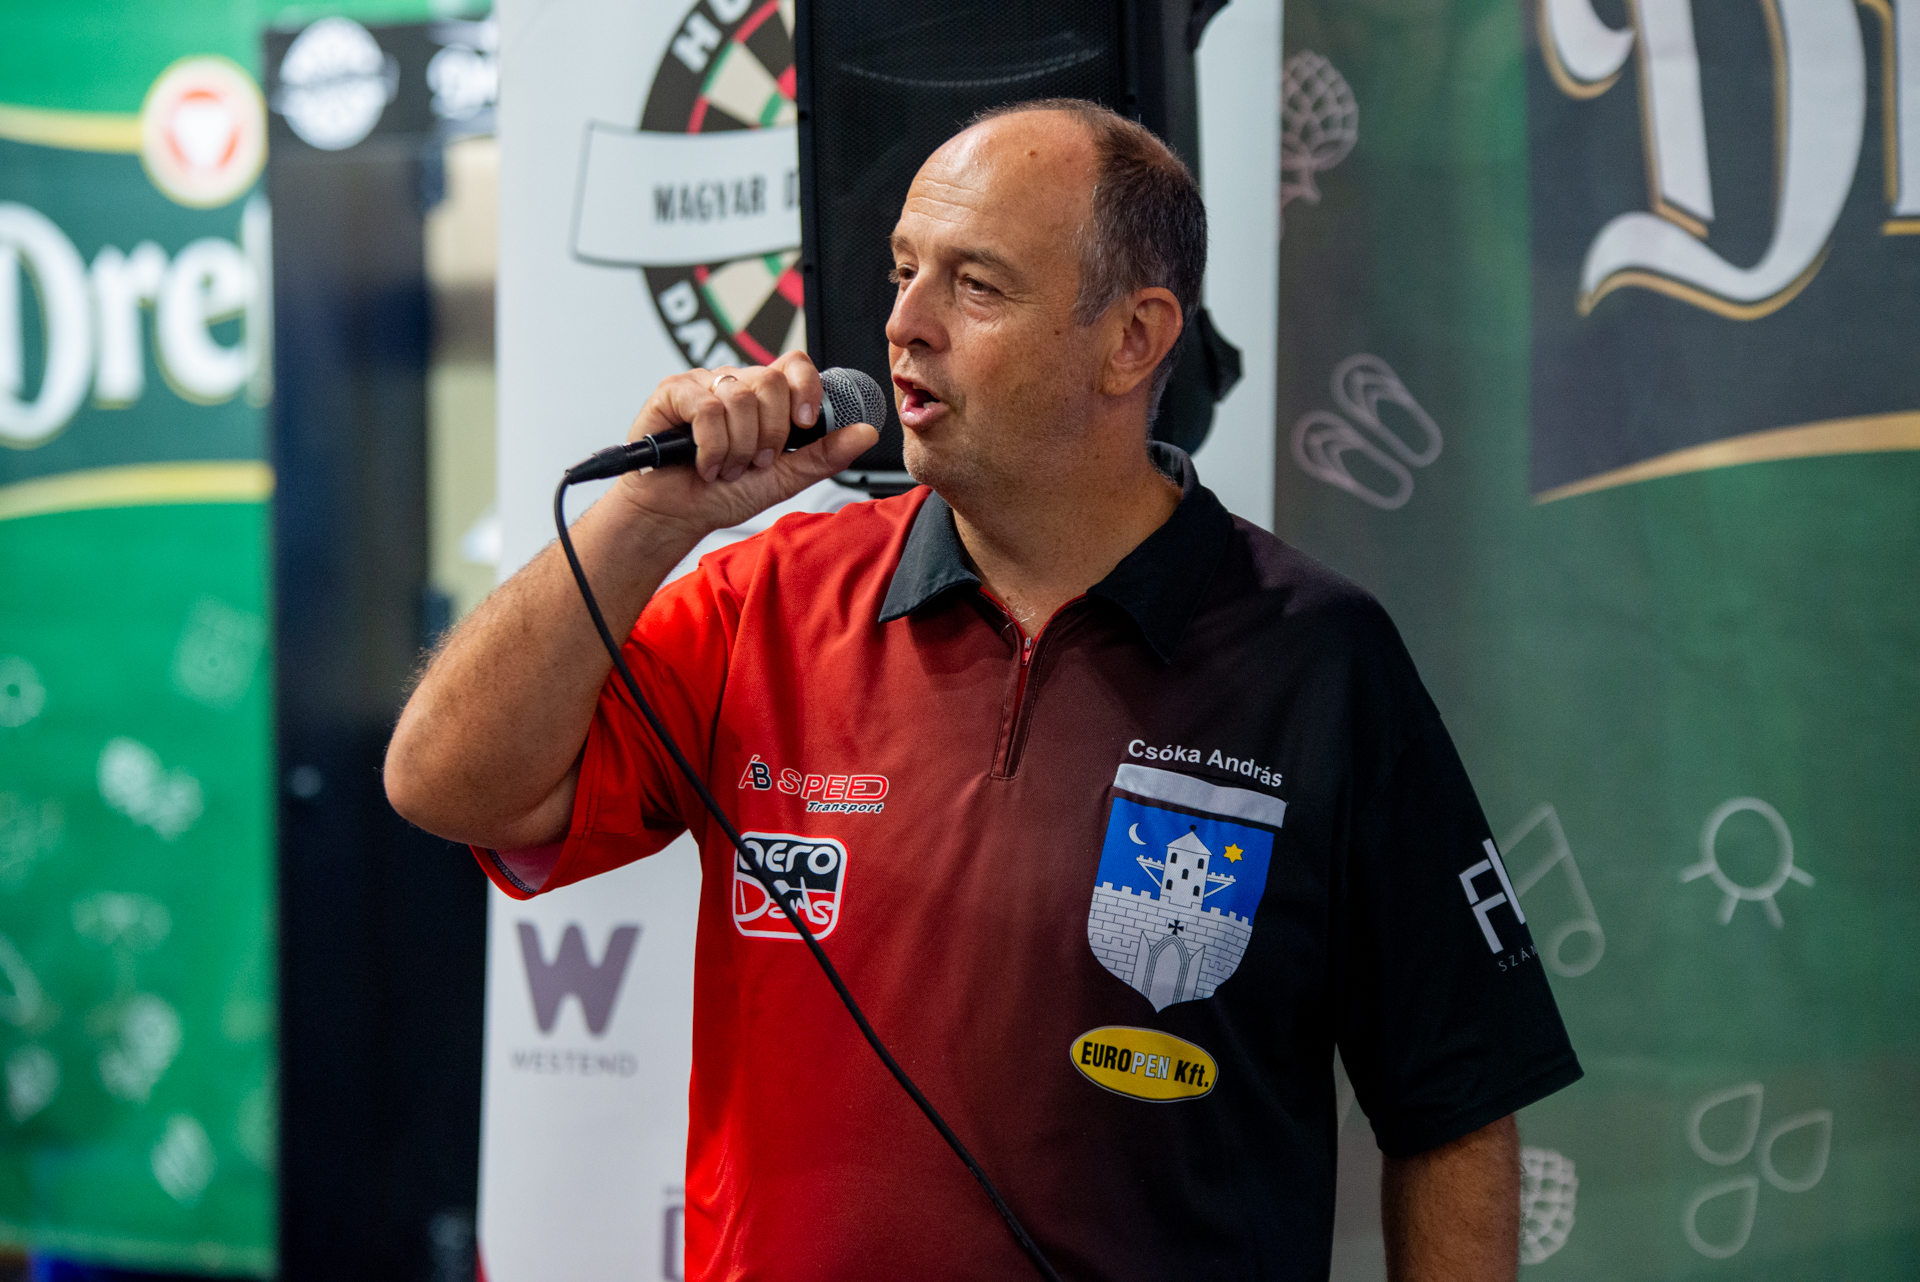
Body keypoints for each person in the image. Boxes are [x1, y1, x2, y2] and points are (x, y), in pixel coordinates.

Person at [386, 99, 1580, 1280]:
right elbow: (445, 783)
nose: (903, 324)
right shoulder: (767, 599)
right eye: (903, 270)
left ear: (1133, 338)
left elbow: (1457, 1104)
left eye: (976, 285)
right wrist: (651, 516)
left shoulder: (1318, 655)